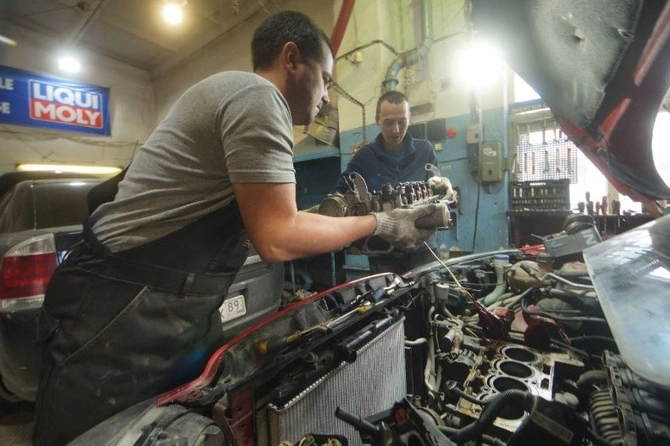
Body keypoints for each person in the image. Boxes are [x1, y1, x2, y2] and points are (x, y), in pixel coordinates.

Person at [32, 11, 438, 446]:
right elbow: (277, 236)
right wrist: (381, 223)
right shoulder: (259, 97)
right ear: (291, 59)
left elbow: (274, 216)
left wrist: (347, 216)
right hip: (115, 313)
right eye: (325, 79)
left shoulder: (238, 95)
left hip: (167, 310)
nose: (325, 97)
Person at [333, 90, 453, 274]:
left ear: (409, 118)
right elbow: (339, 194)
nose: (396, 130)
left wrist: (441, 185)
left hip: (422, 250)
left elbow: (435, 187)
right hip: (383, 254)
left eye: (401, 121)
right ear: (378, 120)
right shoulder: (365, 156)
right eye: (388, 122)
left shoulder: (425, 150)